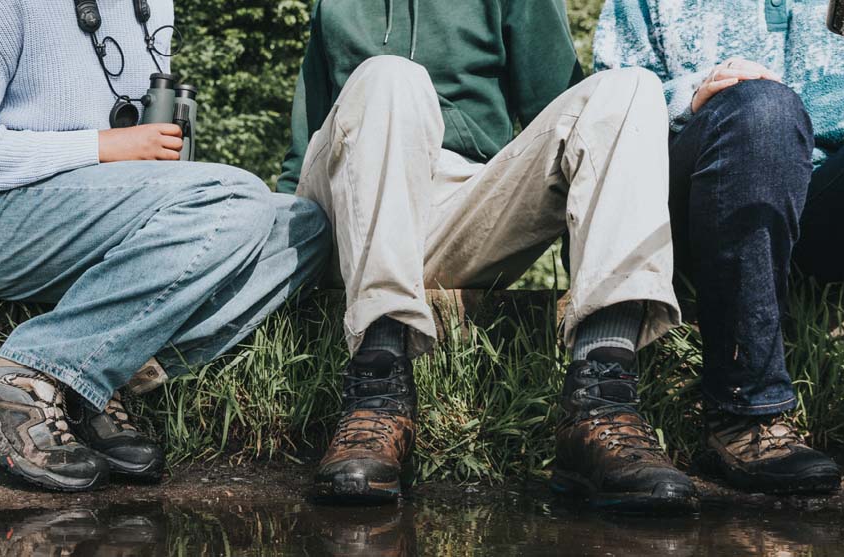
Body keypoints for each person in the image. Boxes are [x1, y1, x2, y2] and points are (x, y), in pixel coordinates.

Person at [280, 0, 689, 510]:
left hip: (468, 204)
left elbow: (571, 121)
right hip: (354, 207)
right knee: (389, 76)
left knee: (629, 88)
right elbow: (304, 150)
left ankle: (602, 401)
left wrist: (587, 260)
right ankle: (377, 391)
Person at [0, 0, 330, 492]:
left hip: (92, 218)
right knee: (235, 194)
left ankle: (90, 378)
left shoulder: (154, 5)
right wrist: (102, 146)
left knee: (304, 226)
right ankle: (22, 379)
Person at [595, 0, 844, 495]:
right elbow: (609, 99)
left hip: (836, 199)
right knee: (764, 111)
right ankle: (746, 413)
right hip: (703, 198)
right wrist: (690, 93)